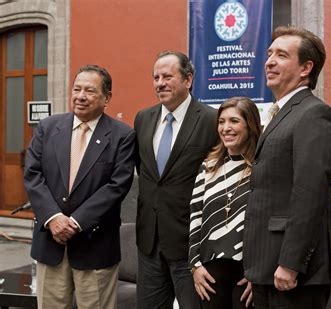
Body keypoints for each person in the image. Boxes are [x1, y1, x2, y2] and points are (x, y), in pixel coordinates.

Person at [243, 26, 331, 308]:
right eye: (269, 54)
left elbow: (310, 195)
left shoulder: (314, 113)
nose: (269, 61)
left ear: (305, 68)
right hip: (267, 269)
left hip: (293, 275)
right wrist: (257, 266)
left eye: (282, 55)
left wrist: (290, 263)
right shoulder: (281, 114)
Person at [24, 64, 136, 308]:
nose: (81, 96)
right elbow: (33, 174)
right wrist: (53, 218)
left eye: (90, 90)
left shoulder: (122, 136)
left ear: (107, 98)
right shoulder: (48, 127)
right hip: (50, 245)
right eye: (77, 89)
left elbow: (117, 186)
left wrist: (75, 223)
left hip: (95, 247)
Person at [134, 51, 218, 308]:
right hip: (150, 242)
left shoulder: (211, 120)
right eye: (156, 77)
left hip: (191, 247)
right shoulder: (143, 119)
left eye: (168, 76)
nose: (160, 83)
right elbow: (147, 173)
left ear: (188, 80)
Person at [189, 97, 261, 308]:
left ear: (250, 125)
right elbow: (195, 216)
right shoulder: (208, 167)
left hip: (248, 273)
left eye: (234, 121)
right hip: (210, 275)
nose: (226, 128)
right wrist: (194, 266)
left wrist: (260, 272)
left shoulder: (262, 168)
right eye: (221, 122)